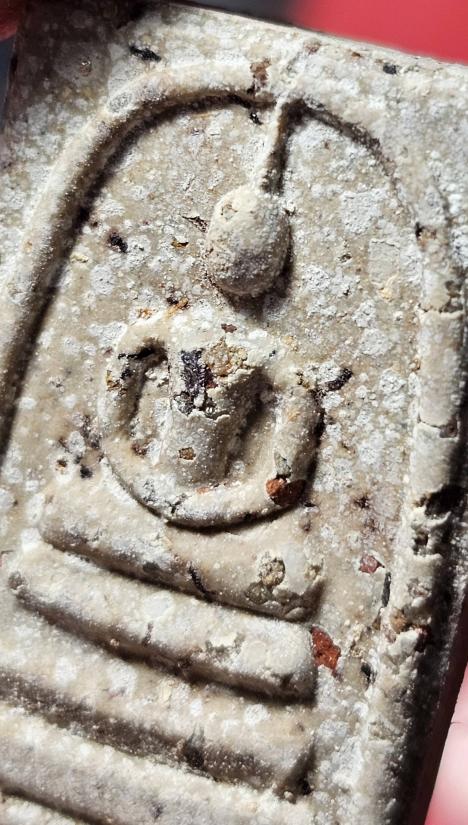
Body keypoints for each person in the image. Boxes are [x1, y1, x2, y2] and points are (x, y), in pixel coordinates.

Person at [0, 2, 466, 823]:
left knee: (282, 592)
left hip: (231, 534)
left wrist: (218, 508)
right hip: (135, 501)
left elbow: (283, 470)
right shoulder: (162, 329)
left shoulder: (273, 362)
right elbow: (117, 406)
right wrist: (149, 485)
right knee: (68, 523)